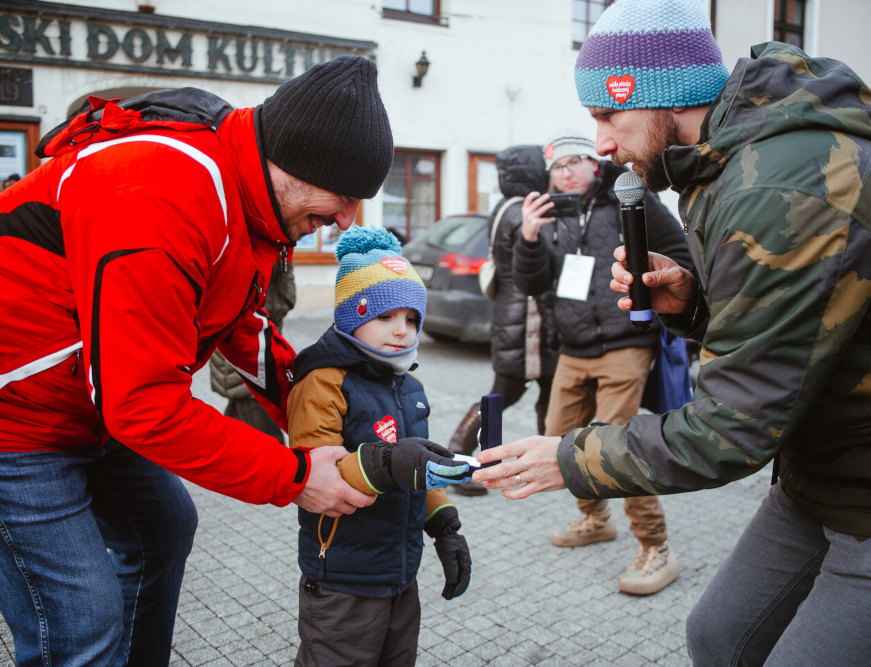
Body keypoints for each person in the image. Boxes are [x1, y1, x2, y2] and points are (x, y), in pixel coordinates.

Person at [0, 57, 458, 666]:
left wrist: (334, 395)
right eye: (341, 199)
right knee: (81, 621)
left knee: (164, 531)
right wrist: (294, 475)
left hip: (85, 398)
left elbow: (241, 322)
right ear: (290, 164)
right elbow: (144, 407)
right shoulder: (162, 193)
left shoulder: (252, 202)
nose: (345, 222)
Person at [475, 0, 871, 664]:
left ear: (663, 96)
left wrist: (569, 457)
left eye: (607, 115)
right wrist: (692, 305)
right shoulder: (722, 169)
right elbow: (800, 337)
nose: (600, 144)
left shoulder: (780, 183)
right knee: (717, 635)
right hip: (822, 473)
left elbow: (733, 426)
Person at [512, 128, 692, 595]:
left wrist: (653, 285)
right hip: (572, 348)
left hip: (625, 343)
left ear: (595, 164)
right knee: (558, 436)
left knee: (619, 446)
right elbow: (531, 283)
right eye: (557, 166)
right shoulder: (547, 213)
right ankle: (596, 519)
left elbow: (682, 254)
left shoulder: (630, 199)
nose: (566, 172)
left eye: (575, 162)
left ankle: (657, 548)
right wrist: (528, 237)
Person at [289, 226, 472, 667]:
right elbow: (317, 475)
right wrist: (387, 463)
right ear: (353, 316)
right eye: (386, 316)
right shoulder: (324, 380)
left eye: (412, 319)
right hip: (344, 579)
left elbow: (415, 469)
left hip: (399, 571)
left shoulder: (409, 384)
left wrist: (445, 524)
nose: (402, 331)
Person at [446, 144, 559, 496]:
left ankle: (544, 463)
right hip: (527, 318)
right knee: (501, 394)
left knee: (547, 390)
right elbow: (542, 264)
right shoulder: (522, 212)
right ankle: (458, 460)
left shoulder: (503, 207)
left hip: (513, 311)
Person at [210, 261, 297, 443]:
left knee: (238, 429)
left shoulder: (279, 239)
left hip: (262, 336)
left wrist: (282, 302)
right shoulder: (240, 240)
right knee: (265, 437)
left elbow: (286, 279)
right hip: (245, 343)